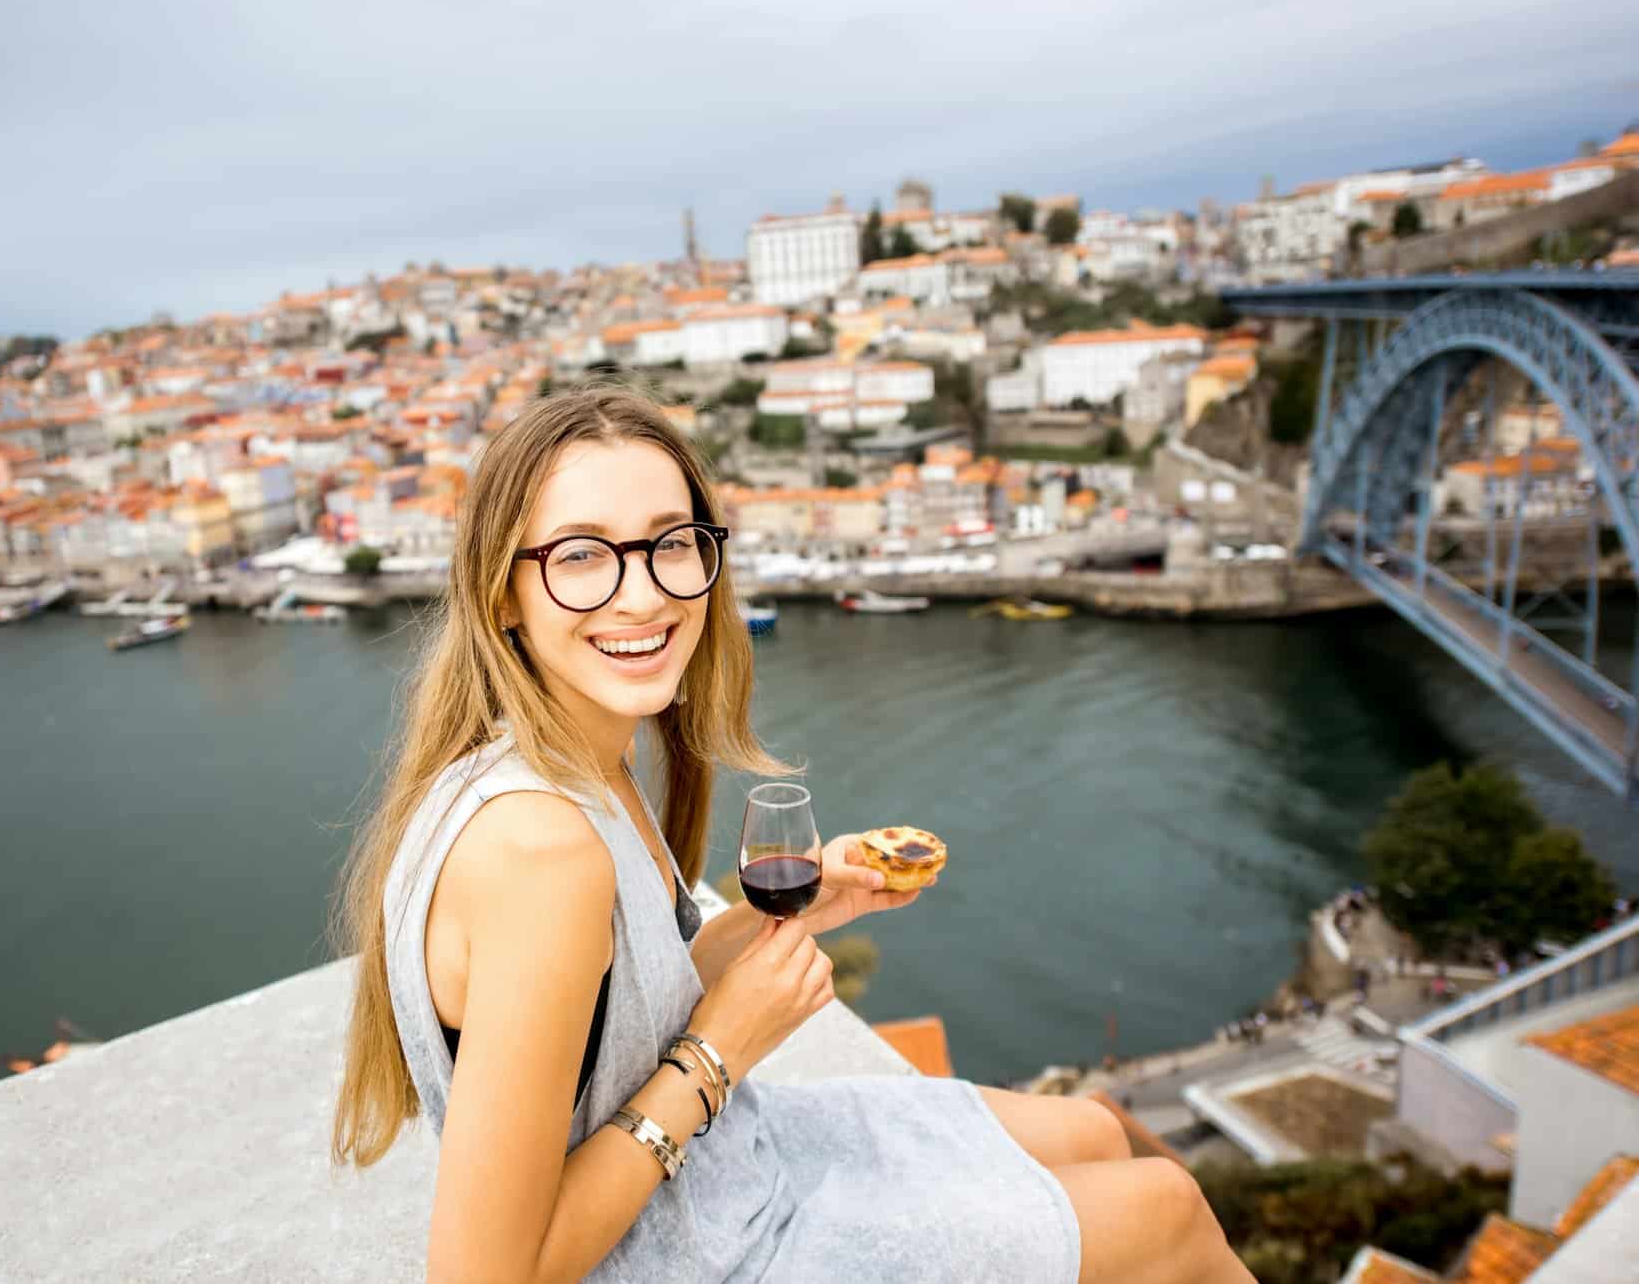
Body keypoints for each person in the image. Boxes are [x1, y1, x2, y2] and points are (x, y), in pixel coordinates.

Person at [329, 387, 1251, 1282]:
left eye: (670, 543)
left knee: (1094, 1128)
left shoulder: (562, 754)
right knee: (1165, 1205)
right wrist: (716, 1055)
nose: (643, 593)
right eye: (580, 555)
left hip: (708, 1176)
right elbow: (485, 1275)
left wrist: (805, 904)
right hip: (686, 1243)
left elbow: (627, 997)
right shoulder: (542, 852)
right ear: (502, 593)